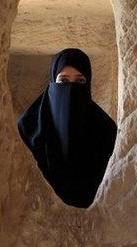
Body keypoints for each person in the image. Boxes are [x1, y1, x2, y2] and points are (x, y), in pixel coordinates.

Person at [17, 48, 117, 208]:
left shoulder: (106, 130)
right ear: (52, 82)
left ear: (88, 84)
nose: (71, 89)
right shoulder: (27, 128)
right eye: (63, 81)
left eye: (80, 82)